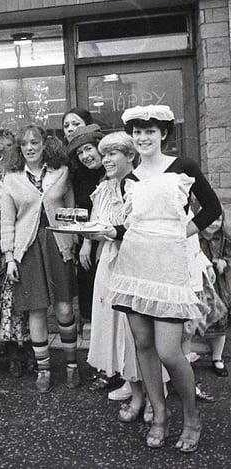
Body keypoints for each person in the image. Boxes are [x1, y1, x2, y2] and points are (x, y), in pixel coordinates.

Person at [106, 104, 221, 452]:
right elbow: (133, 223)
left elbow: (213, 209)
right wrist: (108, 231)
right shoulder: (130, 178)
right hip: (135, 267)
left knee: (170, 352)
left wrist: (180, 233)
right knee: (142, 344)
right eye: (137, 132)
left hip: (169, 269)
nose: (143, 138)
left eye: (150, 131)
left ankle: (191, 418)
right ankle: (159, 416)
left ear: (163, 135)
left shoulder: (183, 168)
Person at [1, 124, 80, 392]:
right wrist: (10, 257)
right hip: (28, 248)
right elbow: (7, 220)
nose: (30, 148)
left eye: (35, 142)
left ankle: (72, 366)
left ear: (44, 144)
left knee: (64, 308)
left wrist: (77, 243)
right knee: (35, 309)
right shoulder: (11, 178)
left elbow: (71, 210)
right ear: (19, 149)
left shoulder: (62, 172)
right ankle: (43, 369)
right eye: (24, 144)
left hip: (59, 245)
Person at [81, 131, 151, 422]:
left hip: (138, 262)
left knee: (142, 335)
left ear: (131, 156)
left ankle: (153, 398)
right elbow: (98, 223)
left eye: (112, 154)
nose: (105, 159)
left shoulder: (143, 186)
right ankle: (134, 392)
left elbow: (145, 226)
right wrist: (88, 235)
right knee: (118, 331)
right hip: (109, 262)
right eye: (104, 153)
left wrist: (114, 232)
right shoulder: (104, 188)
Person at [0, 136, 33, 378]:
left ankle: (32, 351)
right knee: (9, 305)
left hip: (20, 243)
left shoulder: (19, 178)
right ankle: (15, 354)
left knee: (26, 304)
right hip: (2, 245)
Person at [66, 124, 106, 378]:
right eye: (80, 152)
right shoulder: (80, 176)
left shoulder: (112, 172)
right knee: (93, 305)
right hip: (87, 241)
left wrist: (89, 242)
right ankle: (103, 364)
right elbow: (82, 209)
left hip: (104, 240)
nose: (85, 156)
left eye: (89, 149)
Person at [198, 215, 230, 378]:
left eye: (218, 220)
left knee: (220, 321)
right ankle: (189, 354)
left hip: (219, 286)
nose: (214, 224)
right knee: (195, 321)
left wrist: (225, 261)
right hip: (199, 285)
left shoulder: (224, 237)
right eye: (210, 219)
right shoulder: (194, 237)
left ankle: (217, 357)